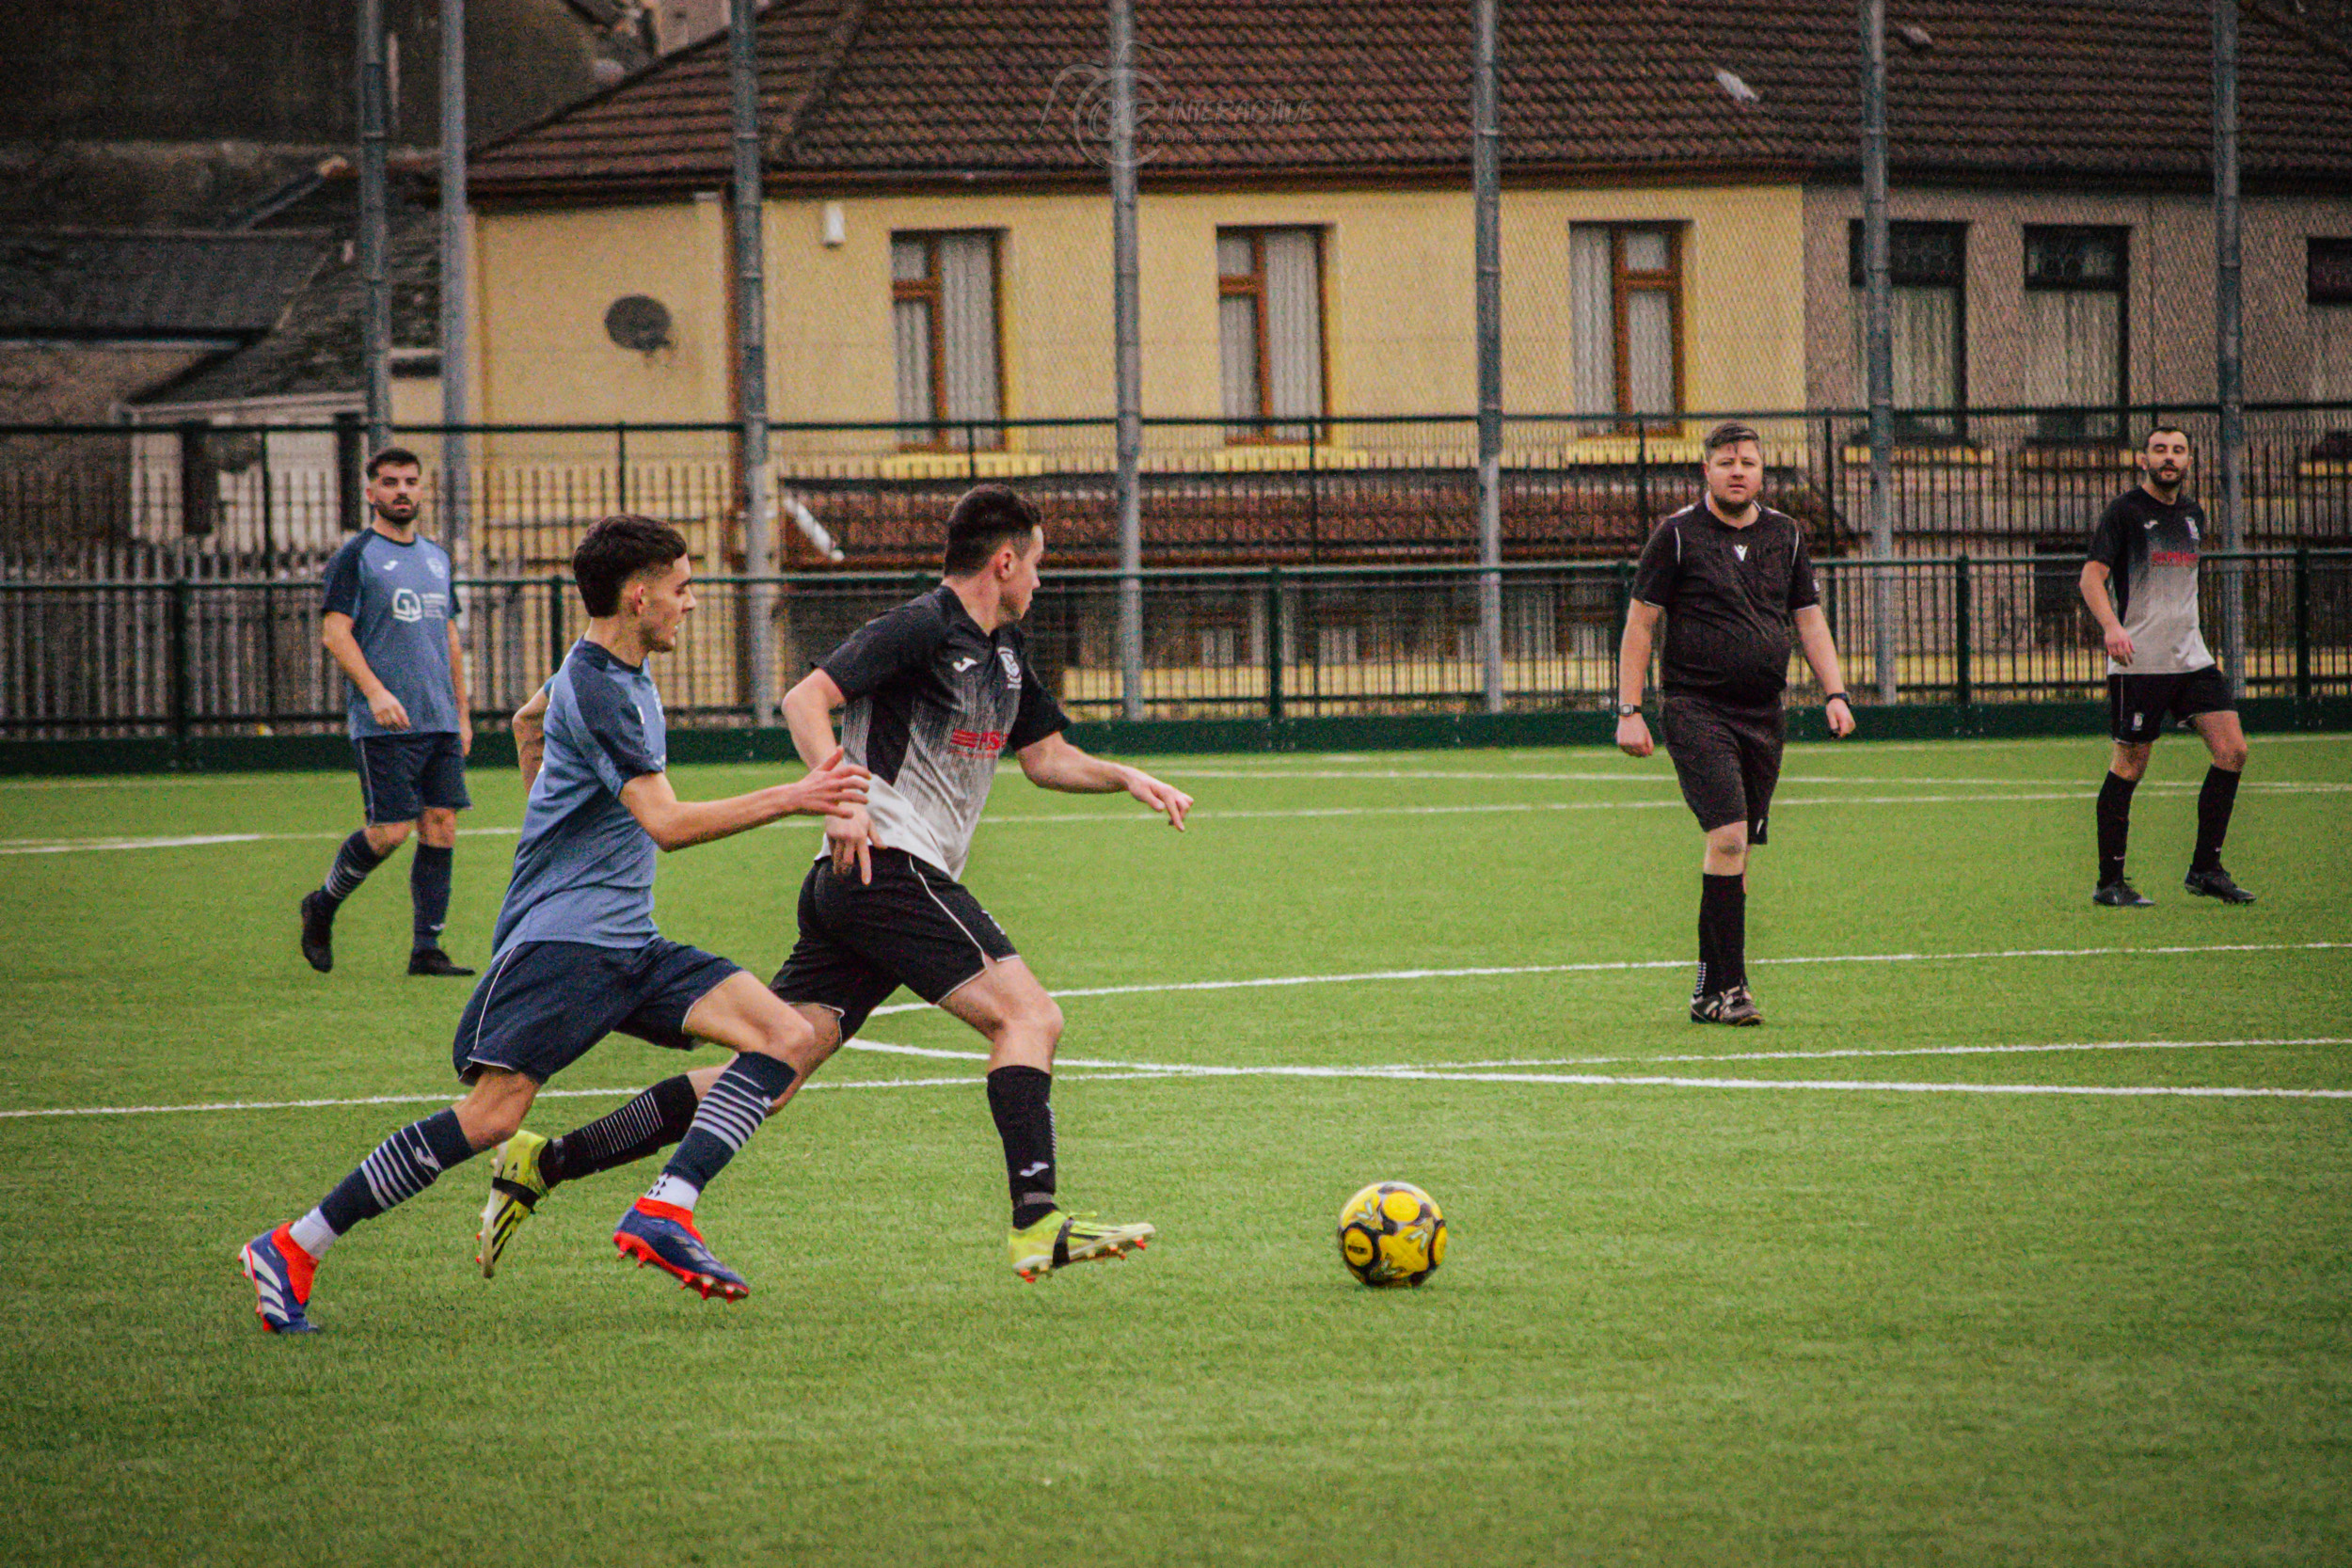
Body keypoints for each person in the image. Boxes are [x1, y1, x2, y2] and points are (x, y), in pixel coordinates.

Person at [475, 484, 1193, 1285]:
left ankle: (547, 1161)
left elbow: (1046, 757)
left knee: (774, 1070)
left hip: (859, 887)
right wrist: (845, 797)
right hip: (889, 866)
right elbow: (804, 699)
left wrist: (1124, 776)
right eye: (1037, 563)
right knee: (1030, 1016)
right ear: (1004, 561)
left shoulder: (1006, 653)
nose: (1039, 579)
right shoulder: (922, 625)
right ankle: (1038, 1218)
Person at [237, 515, 868, 1333]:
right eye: (681, 588)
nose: (691, 602)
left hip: (628, 941)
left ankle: (666, 1206)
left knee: (785, 1040)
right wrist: (796, 795)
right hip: (564, 946)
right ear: (637, 596)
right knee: (492, 1116)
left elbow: (526, 722)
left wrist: (552, 812)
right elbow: (667, 824)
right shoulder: (602, 688)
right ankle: (294, 1243)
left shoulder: (600, 668)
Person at [1613, 420, 1855, 1026]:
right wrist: (1629, 710)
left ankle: (1710, 990)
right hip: (1696, 708)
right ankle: (1730, 988)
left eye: (1748, 462)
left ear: (1761, 472)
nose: (1738, 472)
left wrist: (1835, 692)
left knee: (1738, 852)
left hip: (1763, 713)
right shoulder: (1676, 535)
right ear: (1707, 471)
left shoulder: (1785, 535)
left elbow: (1808, 618)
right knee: (1726, 836)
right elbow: (1641, 623)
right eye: (1726, 462)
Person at [298, 447, 477, 977]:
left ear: (422, 489)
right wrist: (376, 693)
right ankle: (322, 905)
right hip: (385, 724)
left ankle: (427, 950)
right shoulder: (356, 557)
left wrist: (462, 714)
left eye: (411, 481)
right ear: (370, 491)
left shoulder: (437, 558)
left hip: (438, 719)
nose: (402, 490)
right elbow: (335, 633)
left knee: (441, 825)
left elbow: (449, 638)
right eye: (390, 481)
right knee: (390, 832)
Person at [2079, 425, 2255, 906]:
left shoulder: (2194, 514)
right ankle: (2110, 883)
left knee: (2233, 750)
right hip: (2140, 661)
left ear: (2189, 460)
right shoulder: (2124, 512)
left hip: (2192, 658)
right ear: (2144, 460)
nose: (2169, 458)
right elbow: (2091, 578)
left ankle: (2206, 870)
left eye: (2178, 450)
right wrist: (2112, 627)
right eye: (2160, 450)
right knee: (2130, 764)